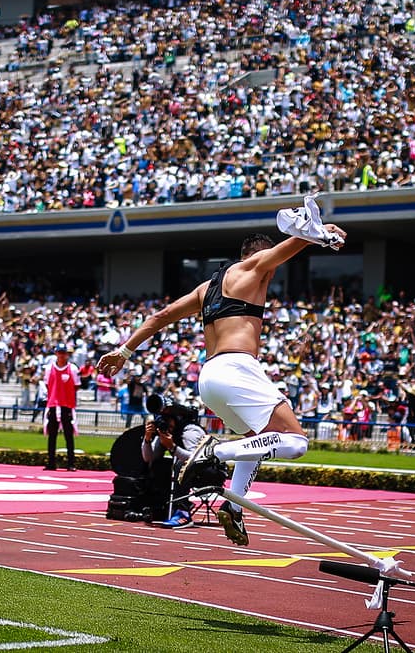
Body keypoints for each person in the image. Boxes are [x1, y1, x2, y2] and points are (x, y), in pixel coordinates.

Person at [97, 200, 346, 547]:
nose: (271, 273)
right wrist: (321, 235)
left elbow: (160, 316)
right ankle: (215, 452)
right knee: (295, 442)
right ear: (258, 256)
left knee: (254, 440)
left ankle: (234, 505)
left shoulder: (205, 289)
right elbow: (294, 242)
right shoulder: (254, 267)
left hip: (209, 377)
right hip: (236, 368)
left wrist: (124, 351)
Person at [140, 400, 209, 528]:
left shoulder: (190, 431)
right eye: (161, 418)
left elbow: (197, 459)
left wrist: (172, 447)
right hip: (189, 472)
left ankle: (183, 513)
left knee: (181, 465)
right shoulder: (166, 432)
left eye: (167, 419)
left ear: (177, 418)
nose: (164, 422)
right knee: (158, 465)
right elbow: (149, 458)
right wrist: (147, 439)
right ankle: (158, 507)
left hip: (210, 472)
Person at [41, 343, 79, 471]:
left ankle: (71, 463)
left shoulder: (72, 369)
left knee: (69, 435)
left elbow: (76, 385)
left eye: (64, 352)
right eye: (59, 352)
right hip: (53, 404)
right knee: (52, 435)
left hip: (67, 405)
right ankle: (51, 462)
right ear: (56, 353)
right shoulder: (49, 368)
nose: (62, 355)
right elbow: (47, 384)